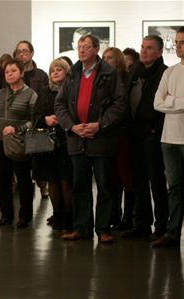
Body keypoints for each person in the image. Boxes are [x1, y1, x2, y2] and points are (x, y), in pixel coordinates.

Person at [54, 34, 126, 243]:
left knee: (104, 185)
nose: (82, 50)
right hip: (78, 138)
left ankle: (103, 229)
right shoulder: (73, 73)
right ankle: (81, 228)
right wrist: (72, 126)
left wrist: (100, 125)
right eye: (79, 47)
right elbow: (60, 104)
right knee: (80, 185)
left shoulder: (109, 73)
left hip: (101, 138)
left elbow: (120, 104)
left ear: (96, 49)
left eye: (86, 47)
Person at [122, 35, 169, 241]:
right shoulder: (135, 71)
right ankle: (142, 224)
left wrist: (154, 131)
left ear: (159, 52)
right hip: (133, 134)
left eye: (149, 48)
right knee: (138, 181)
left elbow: (166, 107)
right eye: (142, 47)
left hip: (152, 135)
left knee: (157, 182)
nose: (143, 51)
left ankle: (161, 226)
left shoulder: (164, 73)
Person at [0, 58, 36, 228]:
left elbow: (33, 121)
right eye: (7, 72)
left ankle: (25, 216)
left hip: (19, 143)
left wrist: (17, 129)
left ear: (22, 73)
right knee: (3, 179)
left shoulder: (31, 94)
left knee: (23, 180)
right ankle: (6, 215)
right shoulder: (0, 93)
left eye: (13, 71)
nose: (9, 74)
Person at [32, 58, 73, 233]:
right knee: (53, 181)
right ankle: (57, 215)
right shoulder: (44, 91)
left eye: (59, 69)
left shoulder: (73, 90)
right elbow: (35, 116)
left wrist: (64, 119)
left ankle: (70, 218)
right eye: (52, 70)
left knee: (66, 181)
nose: (55, 73)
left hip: (68, 141)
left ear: (67, 72)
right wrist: (46, 119)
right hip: (49, 143)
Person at [152, 26, 184, 247]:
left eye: (182, 42)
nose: (178, 46)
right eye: (178, 42)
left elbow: (165, 102)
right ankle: (172, 233)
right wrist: (178, 102)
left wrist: (171, 100)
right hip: (169, 139)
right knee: (174, 188)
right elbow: (157, 103)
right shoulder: (170, 72)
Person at [102, 47, 134, 230]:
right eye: (104, 57)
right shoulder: (104, 80)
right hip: (108, 134)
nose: (106, 61)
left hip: (122, 133)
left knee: (126, 176)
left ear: (118, 61)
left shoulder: (126, 80)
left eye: (110, 58)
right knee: (112, 177)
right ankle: (114, 214)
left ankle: (128, 217)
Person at [13, 40, 50, 199]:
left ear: (32, 53)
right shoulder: (13, 72)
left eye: (25, 50)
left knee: (39, 157)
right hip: (19, 120)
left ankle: (43, 186)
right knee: (21, 159)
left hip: (37, 119)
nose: (22, 54)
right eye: (19, 51)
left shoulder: (41, 74)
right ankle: (22, 188)